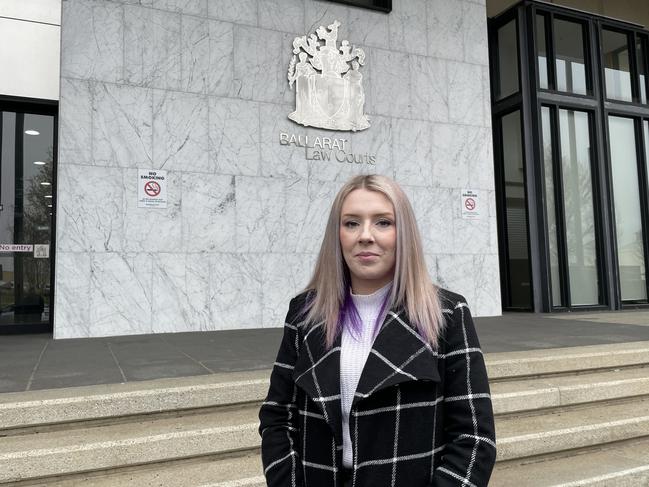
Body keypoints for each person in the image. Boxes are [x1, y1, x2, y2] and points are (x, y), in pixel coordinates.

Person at [259, 175, 496, 487]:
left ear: (403, 234)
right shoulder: (305, 313)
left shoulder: (447, 313)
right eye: (351, 223)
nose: (365, 236)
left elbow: (475, 438)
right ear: (338, 235)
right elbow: (278, 416)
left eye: (383, 222)